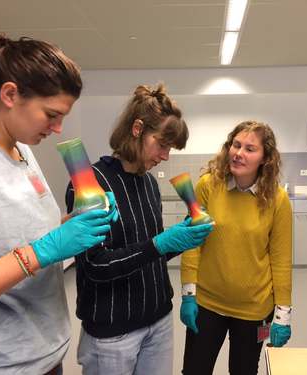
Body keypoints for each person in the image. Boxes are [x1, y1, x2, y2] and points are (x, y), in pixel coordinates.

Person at [0, 33, 117, 374]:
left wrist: (75, 223)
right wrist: (42, 251)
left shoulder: (22, 149)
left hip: (44, 355)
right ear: (10, 94)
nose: (58, 129)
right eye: (51, 114)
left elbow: (20, 232)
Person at [66, 83, 214, 375]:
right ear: (137, 129)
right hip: (113, 331)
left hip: (158, 319)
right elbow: (96, 265)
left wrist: (179, 240)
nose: (166, 156)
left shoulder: (149, 184)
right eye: (162, 145)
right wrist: (160, 243)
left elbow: (149, 254)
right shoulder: (89, 183)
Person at [180, 121, 293, 375]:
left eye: (250, 149)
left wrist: (283, 312)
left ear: (265, 158)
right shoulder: (208, 186)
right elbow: (192, 243)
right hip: (207, 303)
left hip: (254, 309)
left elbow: (281, 259)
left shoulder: (278, 200)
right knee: (194, 370)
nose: (239, 153)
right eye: (236, 145)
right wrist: (188, 293)